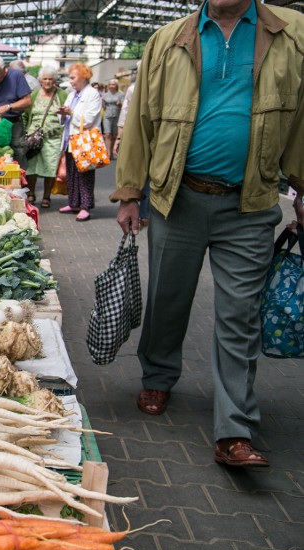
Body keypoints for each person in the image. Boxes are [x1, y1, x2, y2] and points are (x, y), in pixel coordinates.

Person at [112, 0, 304, 468]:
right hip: (177, 198)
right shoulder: (168, 38)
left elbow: (300, 119)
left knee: (240, 315)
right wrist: (130, 192)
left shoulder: (292, 32)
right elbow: (141, 120)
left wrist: (301, 186)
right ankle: (158, 375)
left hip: (251, 202)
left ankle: (234, 430)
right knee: (168, 297)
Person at [56, 63, 102, 221]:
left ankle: (86, 206)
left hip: (84, 141)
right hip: (71, 140)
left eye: (73, 78)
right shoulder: (72, 94)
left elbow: (89, 119)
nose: (71, 81)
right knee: (71, 173)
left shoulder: (93, 94)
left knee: (85, 175)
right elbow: (66, 116)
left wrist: (71, 112)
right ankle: (74, 202)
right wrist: (63, 114)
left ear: (83, 77)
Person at [21, 66, 67, 207]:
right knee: (31, 167)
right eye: (45, 78)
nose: (47, 81)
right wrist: (24, 132)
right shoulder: (34, 94)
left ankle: (47, 196)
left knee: (50, 168)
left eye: (50, 79)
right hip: (34, 137)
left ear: (54, 80)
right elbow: (25, 114)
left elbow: (68, 113)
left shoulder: (62, 95)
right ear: (40, 80)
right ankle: (31, 193)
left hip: (53, 137)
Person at [113, 64, 150, 227]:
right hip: (134, 136)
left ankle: (146, 213)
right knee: (141, 174)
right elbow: (126, 114)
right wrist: (120, 138)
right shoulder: (133, 89)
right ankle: (143, 213)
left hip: (148, 140)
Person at [100, 79, 124, 158]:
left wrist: (120, 104)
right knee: (107, 134)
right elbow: (103, 107)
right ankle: (108, 153)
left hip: (117, 115)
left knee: (114, 134)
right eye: (110, 84)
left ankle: (113, 151)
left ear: (116, 85)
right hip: (107, 115)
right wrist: (102, 102)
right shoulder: (105, 95)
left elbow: (124, 106)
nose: (111, 86)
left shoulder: (121, 94)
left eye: (113, 84)